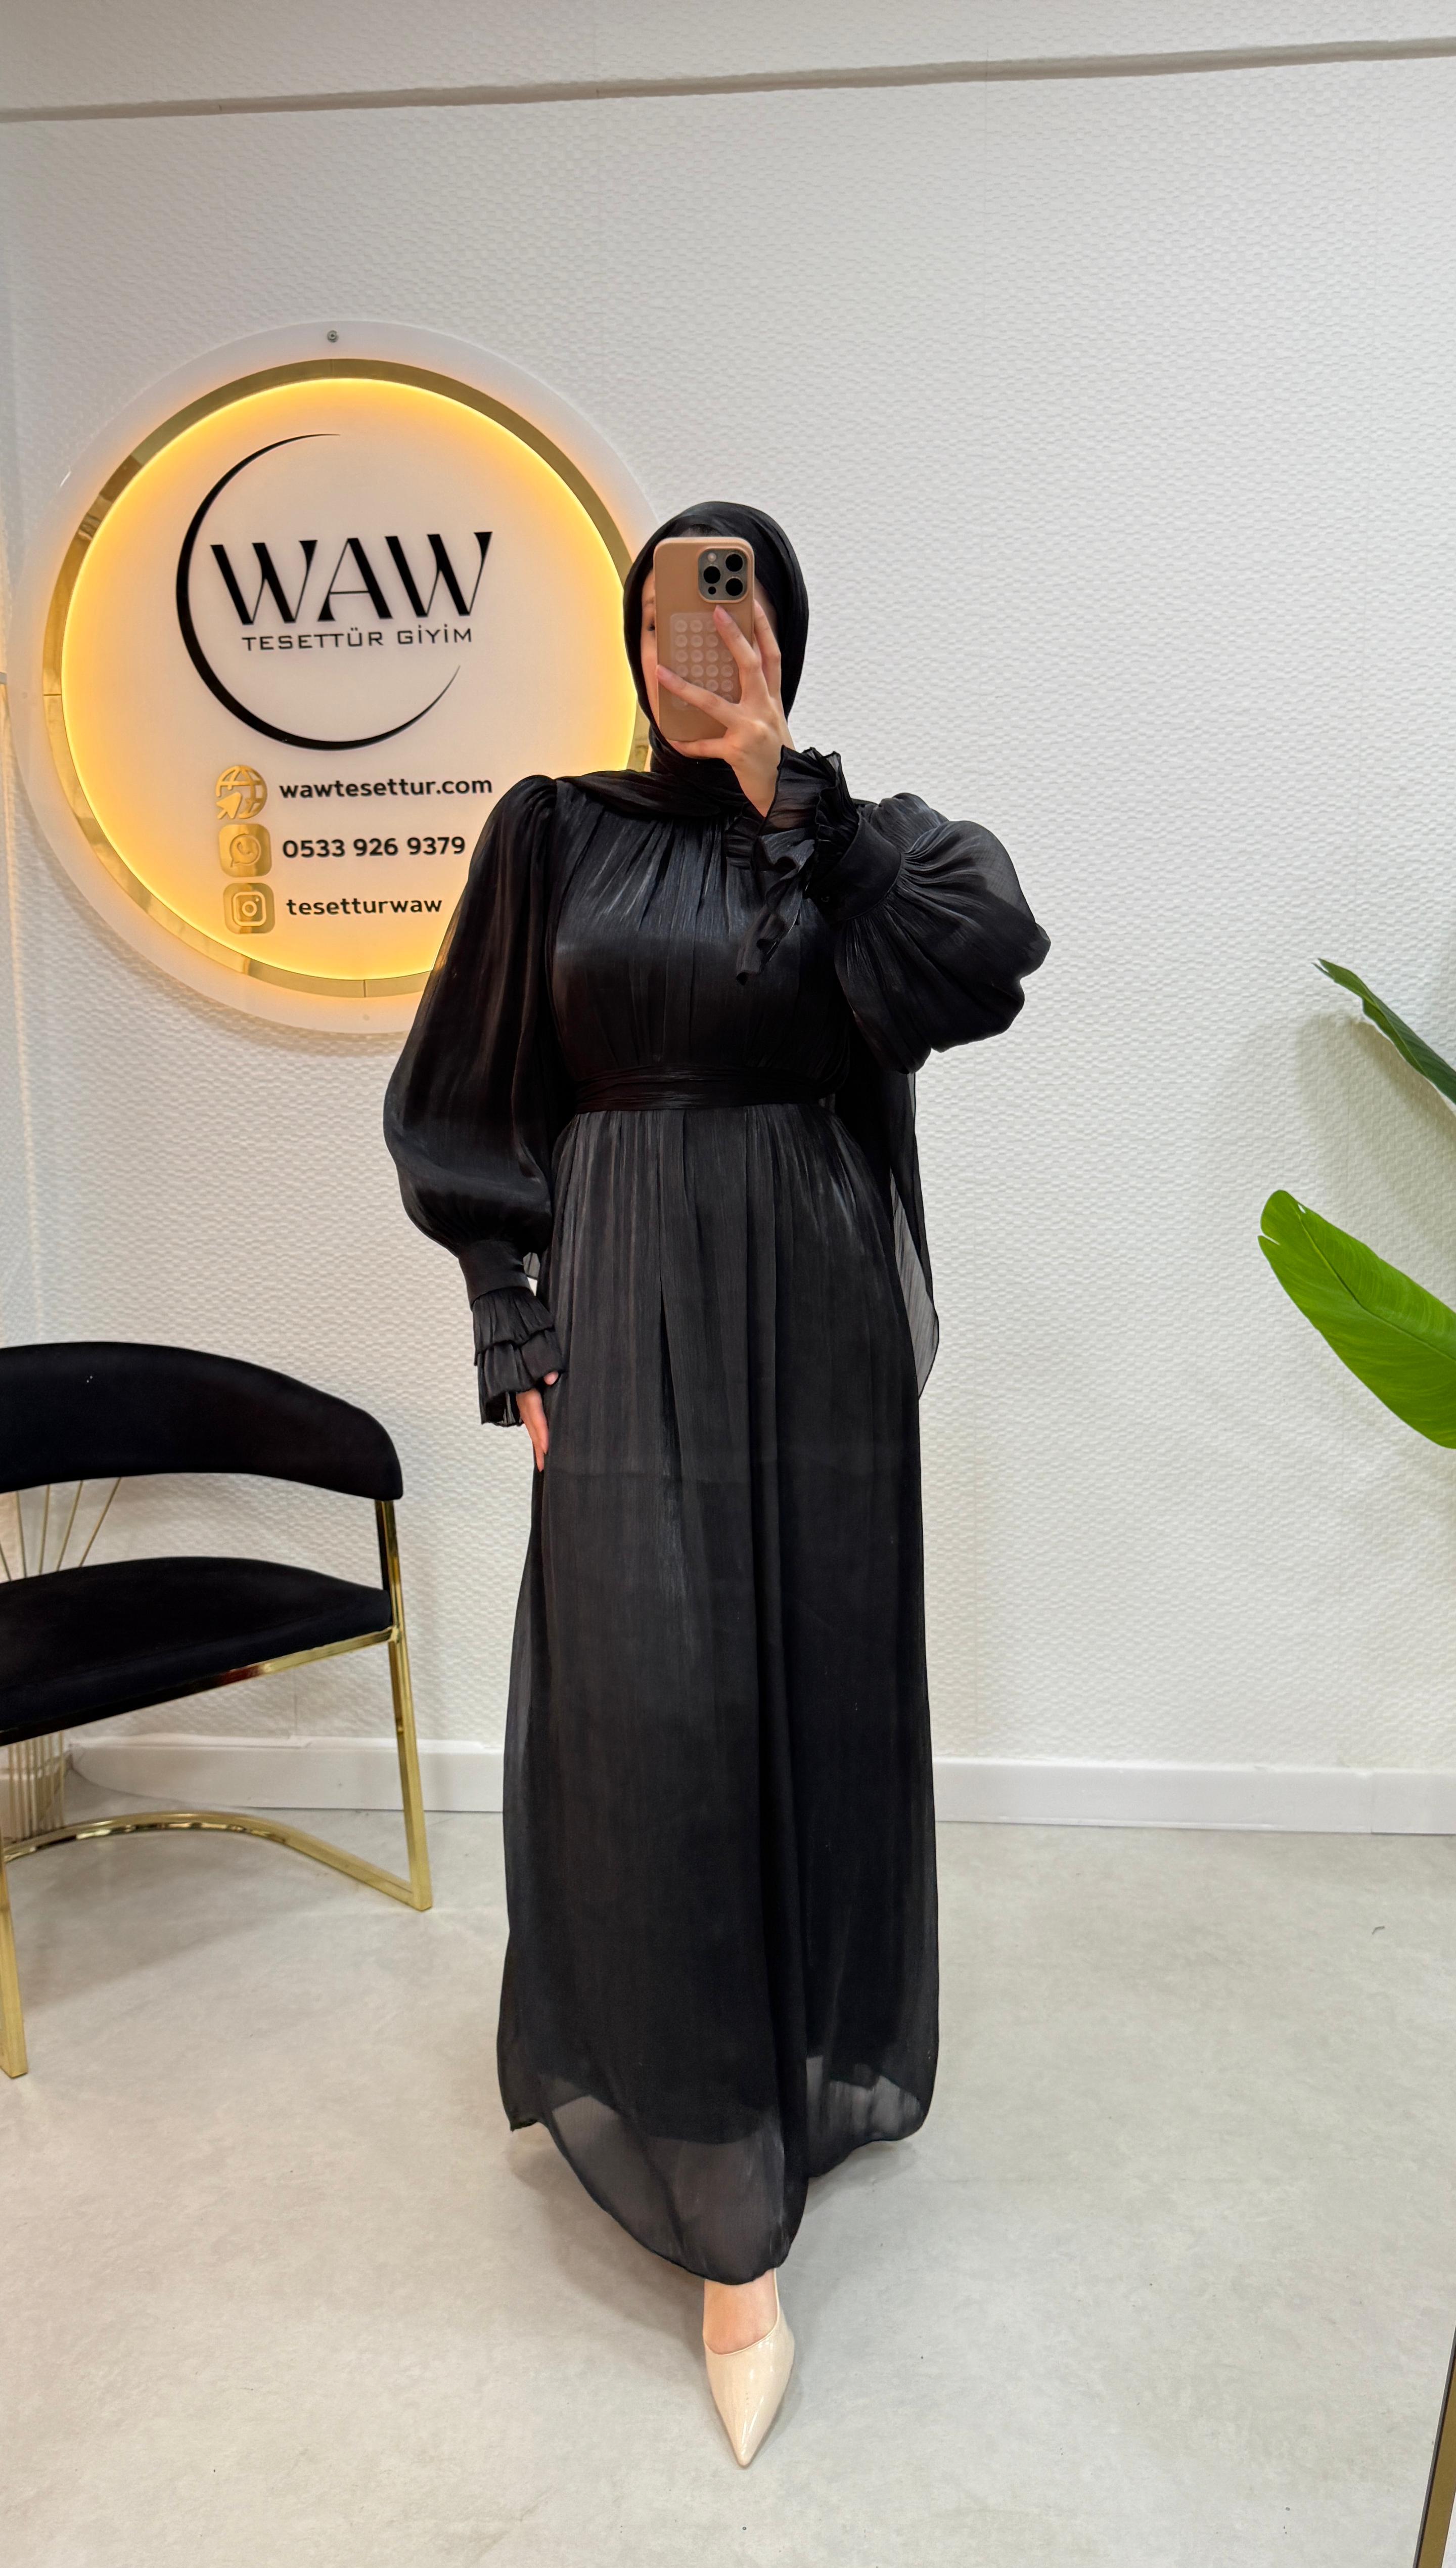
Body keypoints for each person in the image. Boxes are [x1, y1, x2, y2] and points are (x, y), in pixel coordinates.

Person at [384, 503, 1048, 2464]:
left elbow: (988, 960)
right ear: (632, 632)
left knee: (811, 1689)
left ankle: (798, 2067)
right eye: (674, 603)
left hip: (815, 1314)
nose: (704, 636)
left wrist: (791, 797)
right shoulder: (551, 835)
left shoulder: (855, 840)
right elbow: (465, 1087)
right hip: (625, 1304)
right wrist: (512, 1318)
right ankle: (718, 2185)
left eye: (736, 602)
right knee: (653, 1711)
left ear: (785, 634)